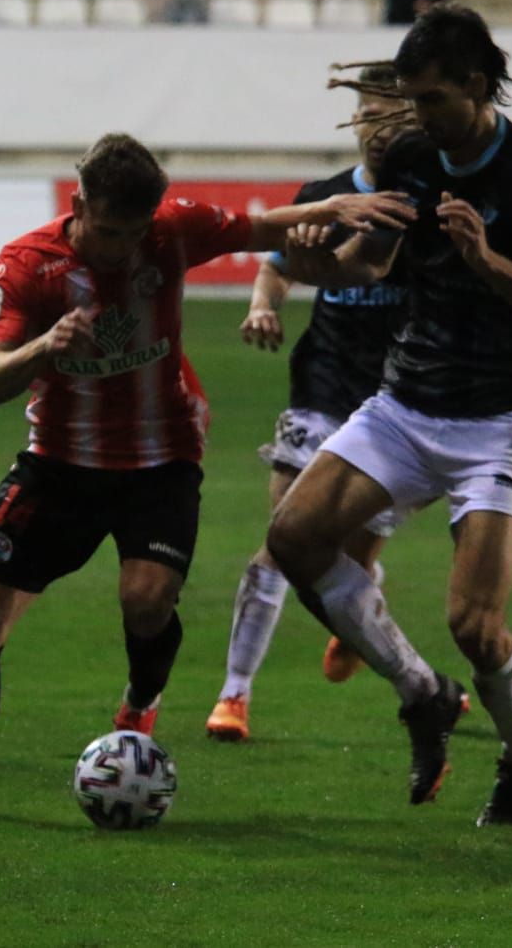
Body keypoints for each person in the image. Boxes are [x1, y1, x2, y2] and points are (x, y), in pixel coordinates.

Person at [0, 133, 416, 822]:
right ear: (79, 203)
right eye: (108, 231)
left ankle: (140, 705)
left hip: (160, 458)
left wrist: (345, 204)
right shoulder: (26, 264)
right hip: (58, 461)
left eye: (134, 232)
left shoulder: (173, 231)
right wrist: (44, 346)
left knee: (146, 602)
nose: (120, 247)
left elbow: (259, 226)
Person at [265, 4, 512, 826]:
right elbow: (366, 263)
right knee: (292, 537)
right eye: (409, 99)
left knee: (476, 626)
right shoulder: (415, 156)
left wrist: (486, 259)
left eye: (433, 99)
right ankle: (421, 692)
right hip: (406, 405)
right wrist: (308, 257)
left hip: (501, 421)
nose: (417, 117)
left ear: (478, 87)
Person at [204, 63, 426, 743]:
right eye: (370, 115)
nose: (379, 128)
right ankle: (233, 694)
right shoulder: (325, 198)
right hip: (322, 387)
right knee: (280, 541)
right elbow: (275, 264)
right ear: (354, 121)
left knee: (352, 564)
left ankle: (382, 648)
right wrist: (263, 307)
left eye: (394, 117)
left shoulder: (430, 204)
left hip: (398, 404)